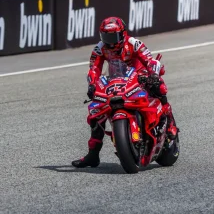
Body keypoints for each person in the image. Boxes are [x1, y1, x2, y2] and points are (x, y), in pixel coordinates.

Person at [72, 17, 178, 168]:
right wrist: (92, 85)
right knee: (96, 113)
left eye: (113, 37)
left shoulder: (134, 43)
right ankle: (93, 155)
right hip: (117, 81)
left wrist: (153, 75)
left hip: (141, 78)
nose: (110, 41)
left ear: (123, 34)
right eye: (106, 37)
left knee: (159, 88)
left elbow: (149, 60)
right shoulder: (99, 48)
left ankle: (169, 126)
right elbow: (94, 69)